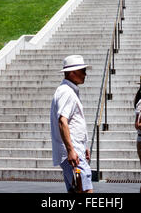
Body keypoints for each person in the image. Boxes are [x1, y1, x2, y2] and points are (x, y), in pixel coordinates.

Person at [50, 55, 93, 193]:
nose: (85, 74)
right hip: (73, 151)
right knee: (86, 191)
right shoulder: (66, 92)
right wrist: (71, 150)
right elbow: (63, 121)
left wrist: (83, 144)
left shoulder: (67, 90)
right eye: (82, 71)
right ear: (72, 72)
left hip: (75, 148)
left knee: (76, 190)